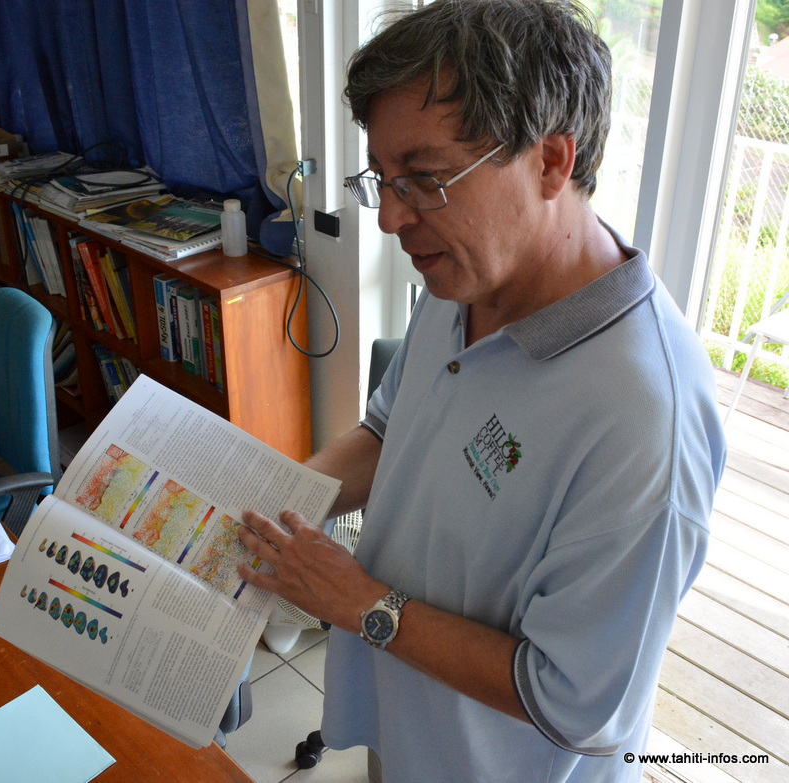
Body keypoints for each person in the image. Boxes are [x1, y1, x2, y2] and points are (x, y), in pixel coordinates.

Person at [237, 1, 727, 781]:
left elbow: (573, 700)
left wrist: (361, 602)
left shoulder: (643, 421)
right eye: (382, 179)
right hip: (407, 732)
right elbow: (388, 430)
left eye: (425, 179)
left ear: (551, 162)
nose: (391, 217)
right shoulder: (463, 275)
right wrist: (273, 499)